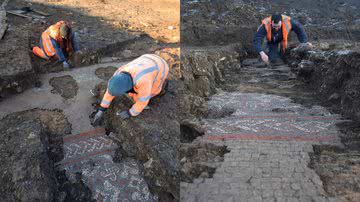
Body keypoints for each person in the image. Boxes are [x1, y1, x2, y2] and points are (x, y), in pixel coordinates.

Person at [92, 50, 170, 125]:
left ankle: (164, 85)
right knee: (135, 94)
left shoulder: (143, 81)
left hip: (160, 66)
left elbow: (143, 100)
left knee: (153, 91)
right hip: (146, 59)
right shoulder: (118, 74)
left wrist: (130, 113)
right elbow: (109, 93)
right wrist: (101, 110)